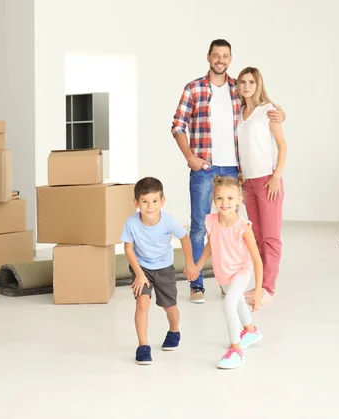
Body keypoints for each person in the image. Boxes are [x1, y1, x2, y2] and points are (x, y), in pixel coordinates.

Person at [171, 39, 285, 304]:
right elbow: (178, 125)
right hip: (205, 168)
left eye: (225, 56)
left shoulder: (238, 89)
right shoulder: (194, 89)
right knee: (200, 226)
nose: (220, 60)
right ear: (208, 57)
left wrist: (281, 116)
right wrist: (190, 157)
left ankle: (229, 280)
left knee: (231, 227)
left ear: (230, 59)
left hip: (234, 171)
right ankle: (197, 285)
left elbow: (262, 107)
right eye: (216, 55)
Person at [121, 177, 198, 365]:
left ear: (162, 201)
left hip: (164, 268)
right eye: (144, 202)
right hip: (142, 268)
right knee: (142, 304)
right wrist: (139, 273)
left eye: (155, 201)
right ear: (136, 203)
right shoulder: (131, 223)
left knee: (169, 305)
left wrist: (190, 264)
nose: (150, 206)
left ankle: (174, 330)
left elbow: (185, 238)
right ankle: (143, 346)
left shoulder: (168, 221)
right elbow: (128, 249)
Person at [194, 175, 263, 369]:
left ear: (239, 200)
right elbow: (210, 245)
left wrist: (257, 291)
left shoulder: (243, 226)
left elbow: (257, 260)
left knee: (229, 303)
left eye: (230, 198)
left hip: (241, 269)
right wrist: (198, 266)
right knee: (238, 300)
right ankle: (250, 330)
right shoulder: (212, 221)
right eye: (220, 198)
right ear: (214, 200)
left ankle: (236, 351)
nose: (225, 203)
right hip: (223, 270)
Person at [236, 67, 287, 304]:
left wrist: (276, 175)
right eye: (243, 82)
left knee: (270, 238)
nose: (246, 86)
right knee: (255, 238)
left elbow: (282, 146)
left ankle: (269, 288)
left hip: (268, 181)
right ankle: (258, 285)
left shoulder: (268, 111)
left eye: (251, 82)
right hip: (248, 183)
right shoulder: (240, 113)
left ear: (258, 85)